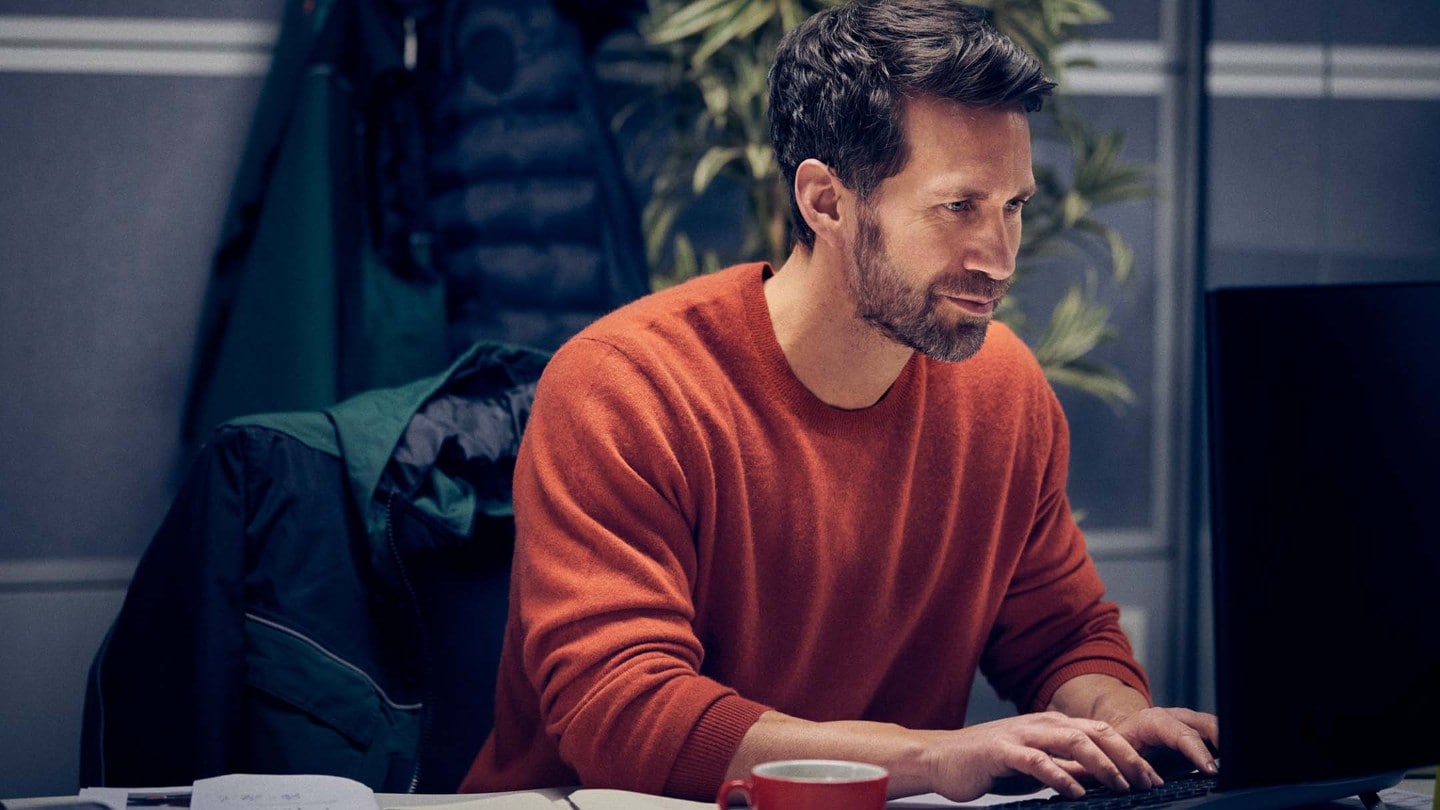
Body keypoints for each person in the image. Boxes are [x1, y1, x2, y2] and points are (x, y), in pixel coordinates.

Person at [460, 0, 1219, 801]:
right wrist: (933, 758)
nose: (999, 258)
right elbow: (622, 715)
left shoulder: (1003, 390)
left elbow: (1064, 636)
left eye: (1014, 207)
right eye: (958, 206)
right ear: (825, 201)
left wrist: (1115, 716)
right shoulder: (624, 387)